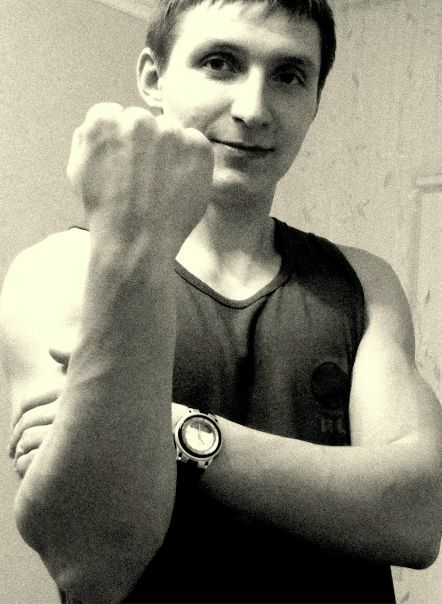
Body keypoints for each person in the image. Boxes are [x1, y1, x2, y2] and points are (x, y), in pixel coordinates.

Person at [1, 0, 441, 602]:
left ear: (315, 101)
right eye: (220, 63)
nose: (253, 109)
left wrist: (175, 429)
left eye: (289, 75)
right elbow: (92, 561)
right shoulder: (59, 270)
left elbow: (417, 517)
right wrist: (131, 243)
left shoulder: (364, 282)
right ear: (153, 78)